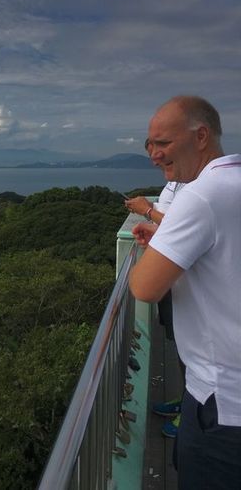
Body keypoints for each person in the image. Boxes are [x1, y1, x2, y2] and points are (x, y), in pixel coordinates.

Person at [128, 95, 241, 484]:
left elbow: (144, 287)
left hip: (222, 402)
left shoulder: (201, 195)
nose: (154, 155)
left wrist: (161, 246)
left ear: (201, 136)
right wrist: (173, 241)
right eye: (150, 145)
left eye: (164, 143)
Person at [125, 146, 188, 436]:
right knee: (180, 341)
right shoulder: (175, 181)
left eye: (161, 146)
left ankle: (191, 412)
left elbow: (184, 225)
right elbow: (174, 221)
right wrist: (153, 223)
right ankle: (187, 400)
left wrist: (147, 211)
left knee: (189, 345)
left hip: (181, 276)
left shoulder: (197, 184)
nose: (155, 158)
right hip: (173, 277)